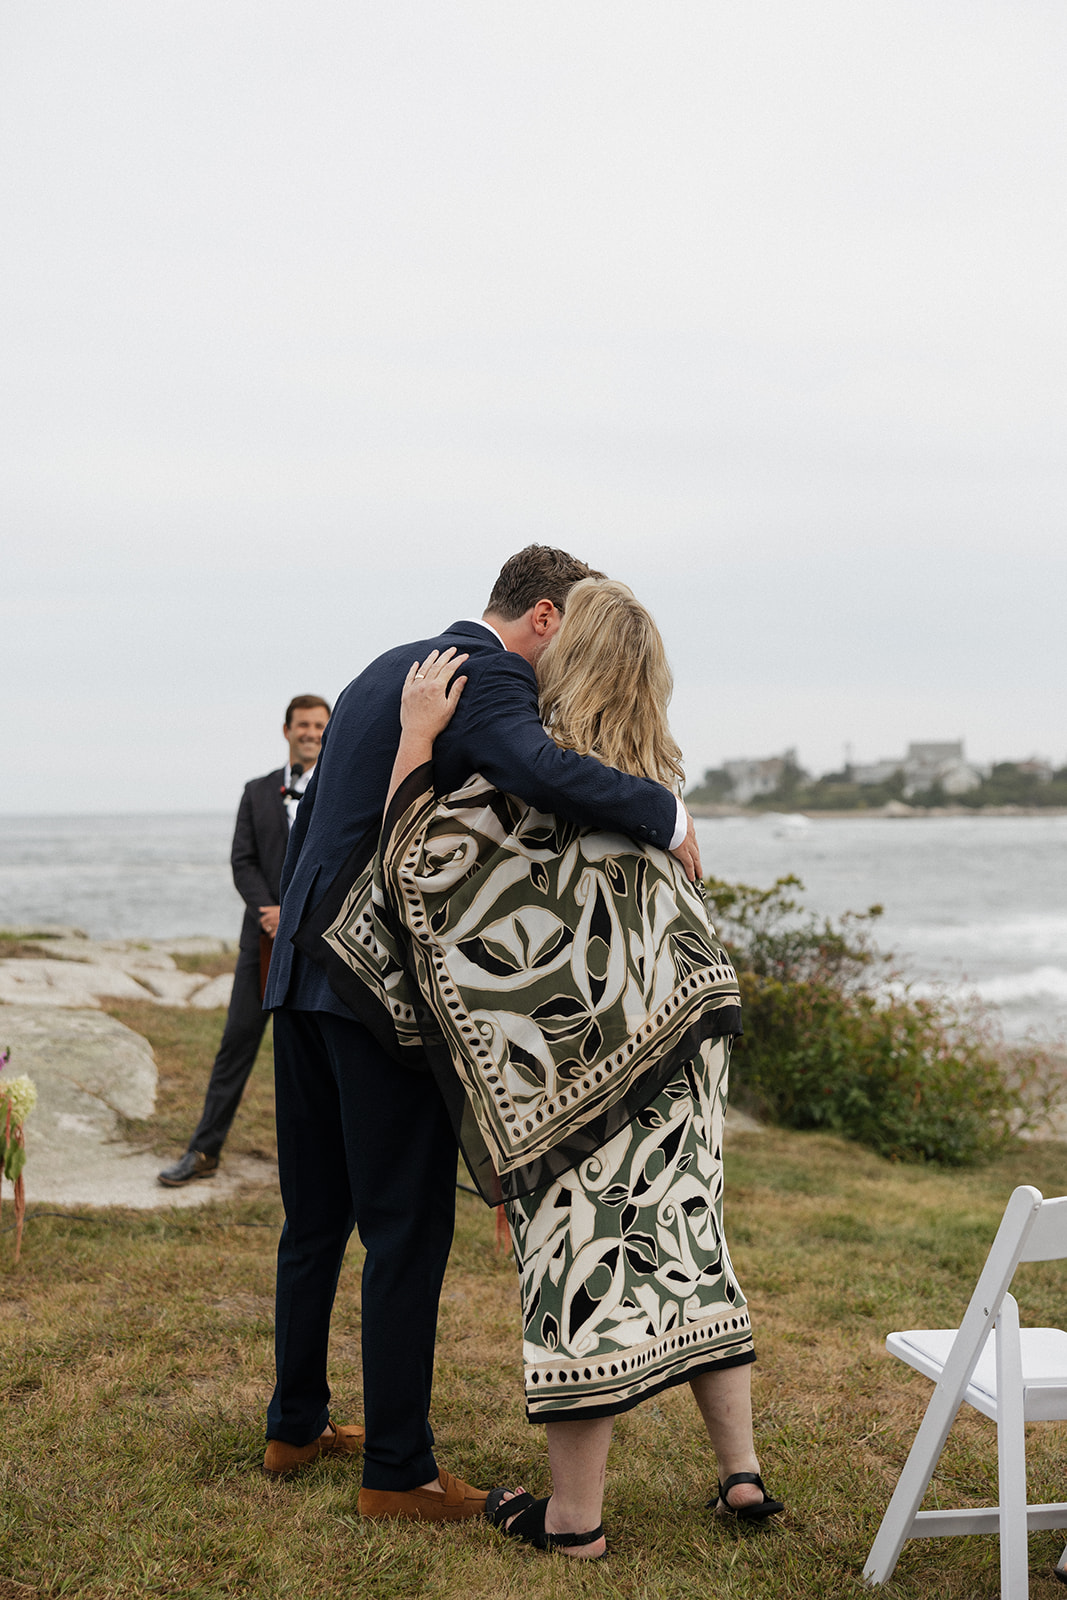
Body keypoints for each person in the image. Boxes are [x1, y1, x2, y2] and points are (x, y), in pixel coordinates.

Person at [261, 547, 703, 1509]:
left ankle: (293, 1427)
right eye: (569, 629)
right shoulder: (488, 669)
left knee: (314, 1221)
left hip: (298, 976)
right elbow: (532, 767)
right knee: (405, 1232)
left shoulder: (387, 666)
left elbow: (317, 834)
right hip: (371, 996)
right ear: (543, 617)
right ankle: (399, 1472)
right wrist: (664, 814)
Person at [350, 580, 783, 1557]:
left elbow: (414, 867)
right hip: (692, 1058)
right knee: (689, 1247)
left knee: (584, 1272)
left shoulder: (535, 794)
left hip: (583, 1091)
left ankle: (573, 1523)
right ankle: (741, 1474)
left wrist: (417, 737)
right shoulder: (658, 799)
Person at [157, 696, 331, 1188]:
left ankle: (322, 1167)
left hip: (319, 945)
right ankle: (204, 1150)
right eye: (303, 725)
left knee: (317, 1059)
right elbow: (242, 861)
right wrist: (269, 913)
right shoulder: (256, 792)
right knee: (236, 1044)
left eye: (320, 725)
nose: (311, 732)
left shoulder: (341, 788)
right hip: (261, 941)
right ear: (286, 730)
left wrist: (299, 916)